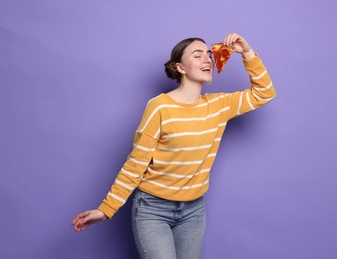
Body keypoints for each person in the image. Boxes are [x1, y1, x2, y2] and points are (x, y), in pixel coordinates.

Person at [71, 33, 276, 259]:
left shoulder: (219, 106)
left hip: (193, 211)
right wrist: (105, 209)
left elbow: (264, 92)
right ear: (180, 67)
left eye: (209, 55)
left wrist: (246, 52)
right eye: (197, 55)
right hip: (152, 209)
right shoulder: (159, 107)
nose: (207, 59)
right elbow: (136, 163)